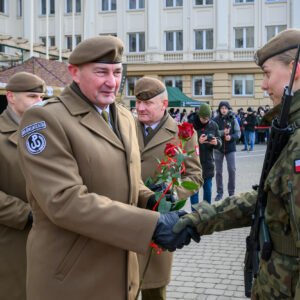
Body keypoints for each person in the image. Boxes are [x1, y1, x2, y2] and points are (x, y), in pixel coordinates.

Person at [17, 36, 199, 300]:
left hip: (121, 273)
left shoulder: (124, 117)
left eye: (117, 72)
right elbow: (64, 200)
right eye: (101, 72)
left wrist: (151, 200)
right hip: (72, 279)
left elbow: (128, 177)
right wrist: (152, 225)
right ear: (74, 72)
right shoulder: (45, 119)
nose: (112, 82)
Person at [173, 28, 300, 299]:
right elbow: (266, 199)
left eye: (267, 73)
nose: (263, 85)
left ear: (295, 68)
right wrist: (197, 220)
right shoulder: (289, 127)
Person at [134, 76, 202, 300]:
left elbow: (195, 175)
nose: (140, 108)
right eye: (137, 102)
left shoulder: (184, 133)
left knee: (154, 287)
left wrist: (171, 193)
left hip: (158, 220)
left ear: (164, 104)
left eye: (147, 103)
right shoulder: (124, 127)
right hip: (126, 215)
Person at [0, 72, 45, 300]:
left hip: (49, 237)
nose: (39, 102)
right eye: (32, 96)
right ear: (11, 97)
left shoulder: (47, 131)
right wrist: (26, 214)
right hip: (13, 237)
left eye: (40, 96)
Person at [190, 103, 222, 206]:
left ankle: (206, 213)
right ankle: (194, 215)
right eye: (204, 119)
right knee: (194, 191)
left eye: (208, 118)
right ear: (199, 115)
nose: (206, 120)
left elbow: (219, 141)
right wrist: (197, 141)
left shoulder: (213, 125)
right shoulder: (191, 125)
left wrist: (217, 143)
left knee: (208, 190)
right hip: (194, 163)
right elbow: (184, 143)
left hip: (208, 162)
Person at [213, 101, 241, 200]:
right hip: (218, 149)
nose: (224, 110)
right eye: (222, 108)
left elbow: (238, 133)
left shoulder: (233, 119)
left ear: (228, 109)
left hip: (230, 148)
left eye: (225, 108)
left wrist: (231, 137)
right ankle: (219, 192)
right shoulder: (215, 120)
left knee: (232, 170)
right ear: (219, 109)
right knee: (218, 171)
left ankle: (231, 193)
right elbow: (213, 133)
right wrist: (222, 133)